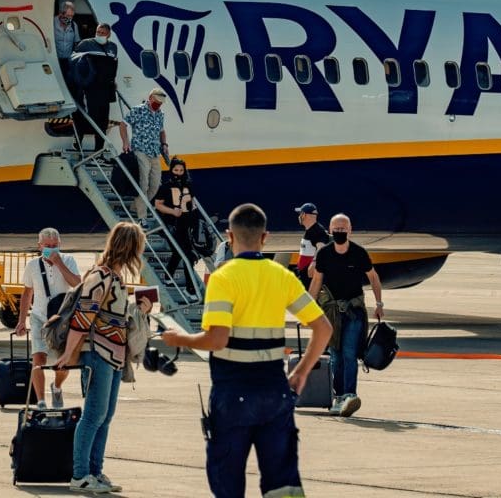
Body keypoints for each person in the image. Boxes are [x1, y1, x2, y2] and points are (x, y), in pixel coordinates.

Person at [163, 203, 333, 498]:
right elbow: (324, 328)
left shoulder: (223, 278)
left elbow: (216, 339)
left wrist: (181, 339)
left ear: (229, 236)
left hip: (233, 392)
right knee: (283, 486)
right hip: (274, 390)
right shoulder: (281, 276)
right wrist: (301, 372)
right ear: (265, 237)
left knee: (228, 481)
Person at [55, 221, 143, 494]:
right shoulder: (101, 277)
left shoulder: (114, 277)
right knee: (93, 415)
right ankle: (80, 474)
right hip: (98, 354)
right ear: (129, 246)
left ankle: (95, 471)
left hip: (115, 355)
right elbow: (82, 319)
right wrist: (69, 354)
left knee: (105, 417)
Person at [308, 213, 384, 417]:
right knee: (335, 356)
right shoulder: (324, 254)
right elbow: (316, 282)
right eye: (336, 229)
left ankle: (350, 395)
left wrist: (378, 303)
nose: (340, 232)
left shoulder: (359, 253)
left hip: (353, 311)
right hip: (331, 313)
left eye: (343, 229)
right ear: (330, 231)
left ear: (350, 230)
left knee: (349, 354)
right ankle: (338, 396)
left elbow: (374, 278)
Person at [15, 228, 81, 409]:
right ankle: (41, 401)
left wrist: (59, 263)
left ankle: (57, 386)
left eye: (54, 246)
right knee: (39, 359)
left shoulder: (68, 260)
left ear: (60, 245)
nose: (51, 250)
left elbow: (77, 284)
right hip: (39, 317)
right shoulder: (32, 265)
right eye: (47, 246)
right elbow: (27, 293)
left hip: (62, 318)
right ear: (39, 246)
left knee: (63, 362)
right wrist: (22, 320)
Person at [119, 88, 168, 220]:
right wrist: (125, 142)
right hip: (140, 150)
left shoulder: (160, 114)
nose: (159, 105)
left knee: (156, 185)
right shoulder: (138, 110)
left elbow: (162, 131)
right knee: (143, 183)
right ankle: (142, 218)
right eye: (157, 101)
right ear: (150, 97)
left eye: (161, 103)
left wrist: (164, 144)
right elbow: (123, 125)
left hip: (154, 153)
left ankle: (135, 207)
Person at [153, 156, 198, 295]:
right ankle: (189, 289)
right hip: (172, 225)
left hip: (186, 225)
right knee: (188, 256)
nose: (178, 172)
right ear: (171, 170)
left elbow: (193, 203)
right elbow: (157, 205)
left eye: (181, 170)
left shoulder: (189, 185)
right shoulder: (166, 187)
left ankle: (168, 276)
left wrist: (195, 221)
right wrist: (172, 211)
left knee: (179, 253)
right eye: (176, 169)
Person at [71, 23, 118, 151]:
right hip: (88, 89)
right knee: (84, 115)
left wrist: (113, 82)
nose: (100, 35)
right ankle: (77, 142)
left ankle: (99, 149)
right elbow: (74, 63)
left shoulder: (113, 48)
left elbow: (114, 66)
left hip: (104, 90)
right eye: (98, 32)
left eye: (103, 33)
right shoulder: (85, 44)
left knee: (103, 120)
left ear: (108, 34)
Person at [295, 202, 329, 285]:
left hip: (309, 278)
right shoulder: (311, 230)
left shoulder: (317, 231)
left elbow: (321, 248)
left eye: (300, 214)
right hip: (304, 275)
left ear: (305, 215)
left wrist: (314, 263)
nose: (299, 216)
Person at [54, 1, 80, 97]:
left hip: (68, 61)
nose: (70, 18)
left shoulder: (73, 25)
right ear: (61, 14)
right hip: (55, 61)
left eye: (72, 16)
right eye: (68, 16)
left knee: (70, 85)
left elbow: (77, 42)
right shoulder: (51, 23)